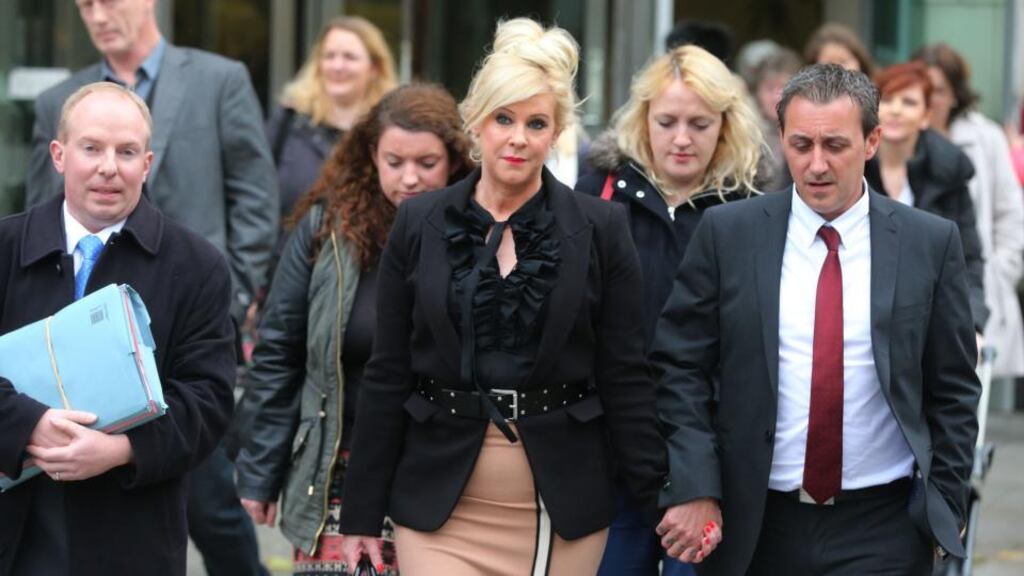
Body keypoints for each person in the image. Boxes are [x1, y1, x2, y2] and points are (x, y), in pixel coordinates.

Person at [337, 18, 667, 575]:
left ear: (556, 130)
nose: (518, 137)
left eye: (536, 123)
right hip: (438, 505)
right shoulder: (419, 223)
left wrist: (666, 495)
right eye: (503, 119)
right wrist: (361, 515)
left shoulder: (601, 228)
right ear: (475, 123)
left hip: (557, 507)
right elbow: (387, 372)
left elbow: (626, 374)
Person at [653, 64, 980, 575]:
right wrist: (697, 483)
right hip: (756, 522)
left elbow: (954, 387)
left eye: (835, 145)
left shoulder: (928, 244)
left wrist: (945, 503)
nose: (817, 164)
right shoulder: (729, 235)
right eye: (801, 145)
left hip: (883, 525)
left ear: (872, 141)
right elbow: (679, 365)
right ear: (780, 137)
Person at [24, 1, 277, 574]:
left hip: (184, 323)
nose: (98, 13)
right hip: (69, 353)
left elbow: (255, 195)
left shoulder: (220, 79)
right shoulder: (61, 100)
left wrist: (228, 300)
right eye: (85, 3)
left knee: (210, 509)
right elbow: (42, 211)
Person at [234, 84, 474, 576]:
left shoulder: (480, 232)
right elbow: (279, 351)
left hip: (444, 470)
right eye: (394, 161)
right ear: (372, 156)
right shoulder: (329, 229)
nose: (410, 179)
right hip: (336, 466)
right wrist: (259, 473)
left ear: (454, 159)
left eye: (426, 163)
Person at [0, 82, 236, 575]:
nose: (109, 166)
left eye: (126, 152)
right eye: (92, 148)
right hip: (15, 530)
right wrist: (27, 424)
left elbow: (209, 400)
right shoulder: (5, 247)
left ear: (147, 165)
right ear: (59, 156)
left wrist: (122, 450)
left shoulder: (196, 266)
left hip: (132, 535)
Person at [575, 43, 763, 576]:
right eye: (668, 121)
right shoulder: (597, 194)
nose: (682, 138)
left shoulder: (751, 207)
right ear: (643, 119)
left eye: (700, 124)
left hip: (713, 457)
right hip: (611, 451)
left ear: (725, 125)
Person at [915, 42, 1024, 380]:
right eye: (926, 90)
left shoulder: (985, 137)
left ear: (956, 95)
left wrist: (998, 271)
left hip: (973, 282)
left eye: (941, 90)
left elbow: (1010, 213)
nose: (933, 99)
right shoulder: (897, 137)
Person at [864, 61, 988, 333]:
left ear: (925, 115)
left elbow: (968, 259)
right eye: (887, 99)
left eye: (909, 102)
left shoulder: (949, 171)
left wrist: (974, 326)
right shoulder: (853, 167)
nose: (896, 109)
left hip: (931, 317)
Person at [266, 16, 397, 220]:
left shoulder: (389, 127)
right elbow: (259, 192)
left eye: (349, 57)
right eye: (329, 56)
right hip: (287, 248)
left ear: (374, 68)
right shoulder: (289, 119)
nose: (337, 66)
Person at [750, 46, 803, 191]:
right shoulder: (747, 134)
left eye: (783, 88)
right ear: (757, 92)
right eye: (769, 88)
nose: (776, 97)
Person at [804, 23, 875, 78]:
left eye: (843, 61)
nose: (838, 68)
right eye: (830, 63)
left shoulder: (878, 93)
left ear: (860, 63)